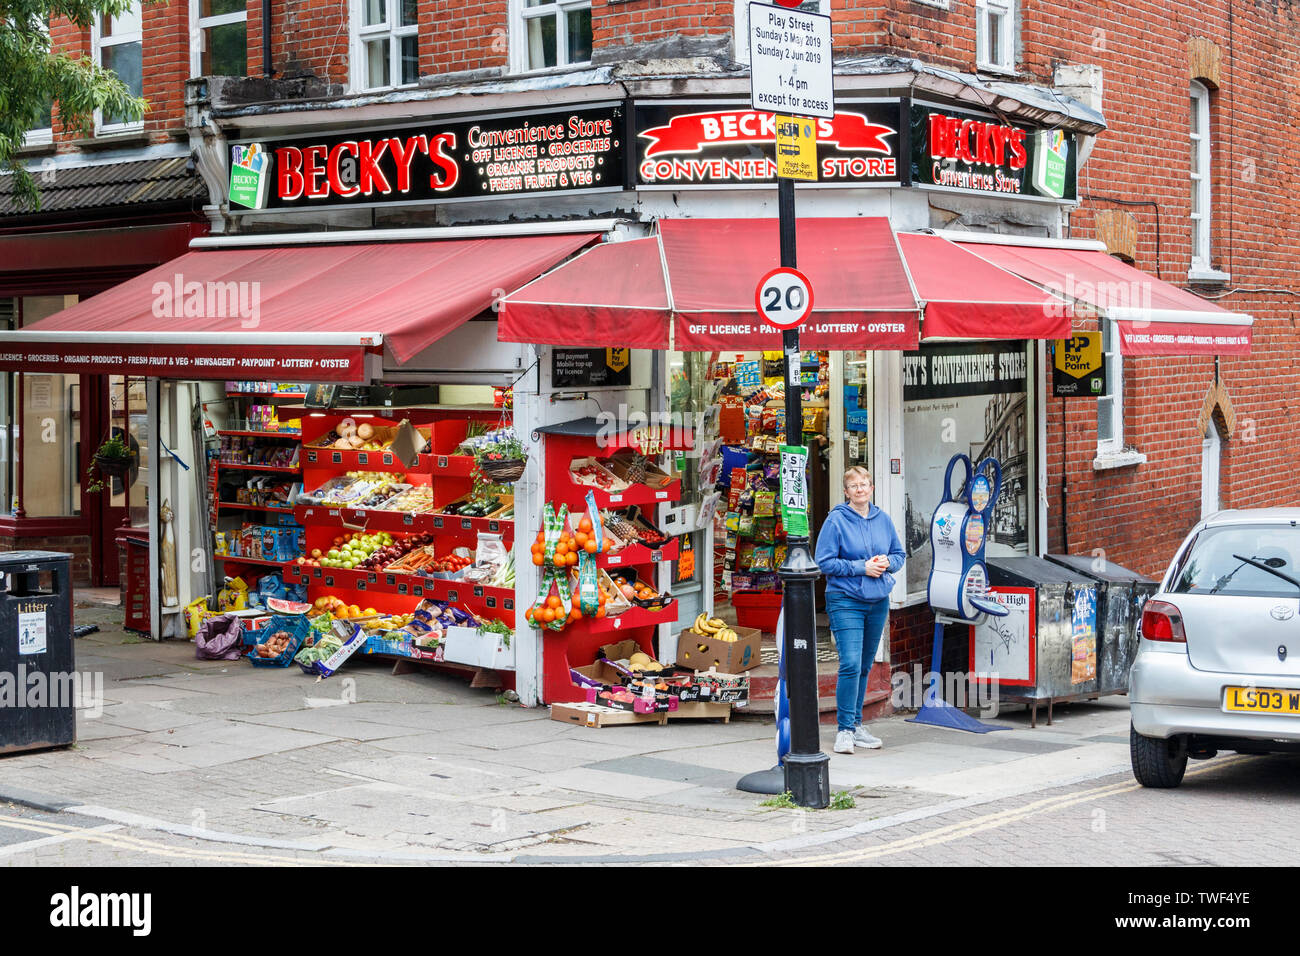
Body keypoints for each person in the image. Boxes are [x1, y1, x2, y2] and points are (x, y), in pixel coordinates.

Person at [814, 466, 905, 755]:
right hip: (845, 600)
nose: (860, 490)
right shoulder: (836, 521)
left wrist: (885, 563)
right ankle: (844, 731)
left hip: (877, 600)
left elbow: (899, 555)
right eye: (854, 486)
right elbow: (823, 562)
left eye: (864, 484)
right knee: (851, 663)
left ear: (872, 488)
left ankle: (856, 726)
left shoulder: (883, 519)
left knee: (865, 665)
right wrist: (860, 567)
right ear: (846, 491)